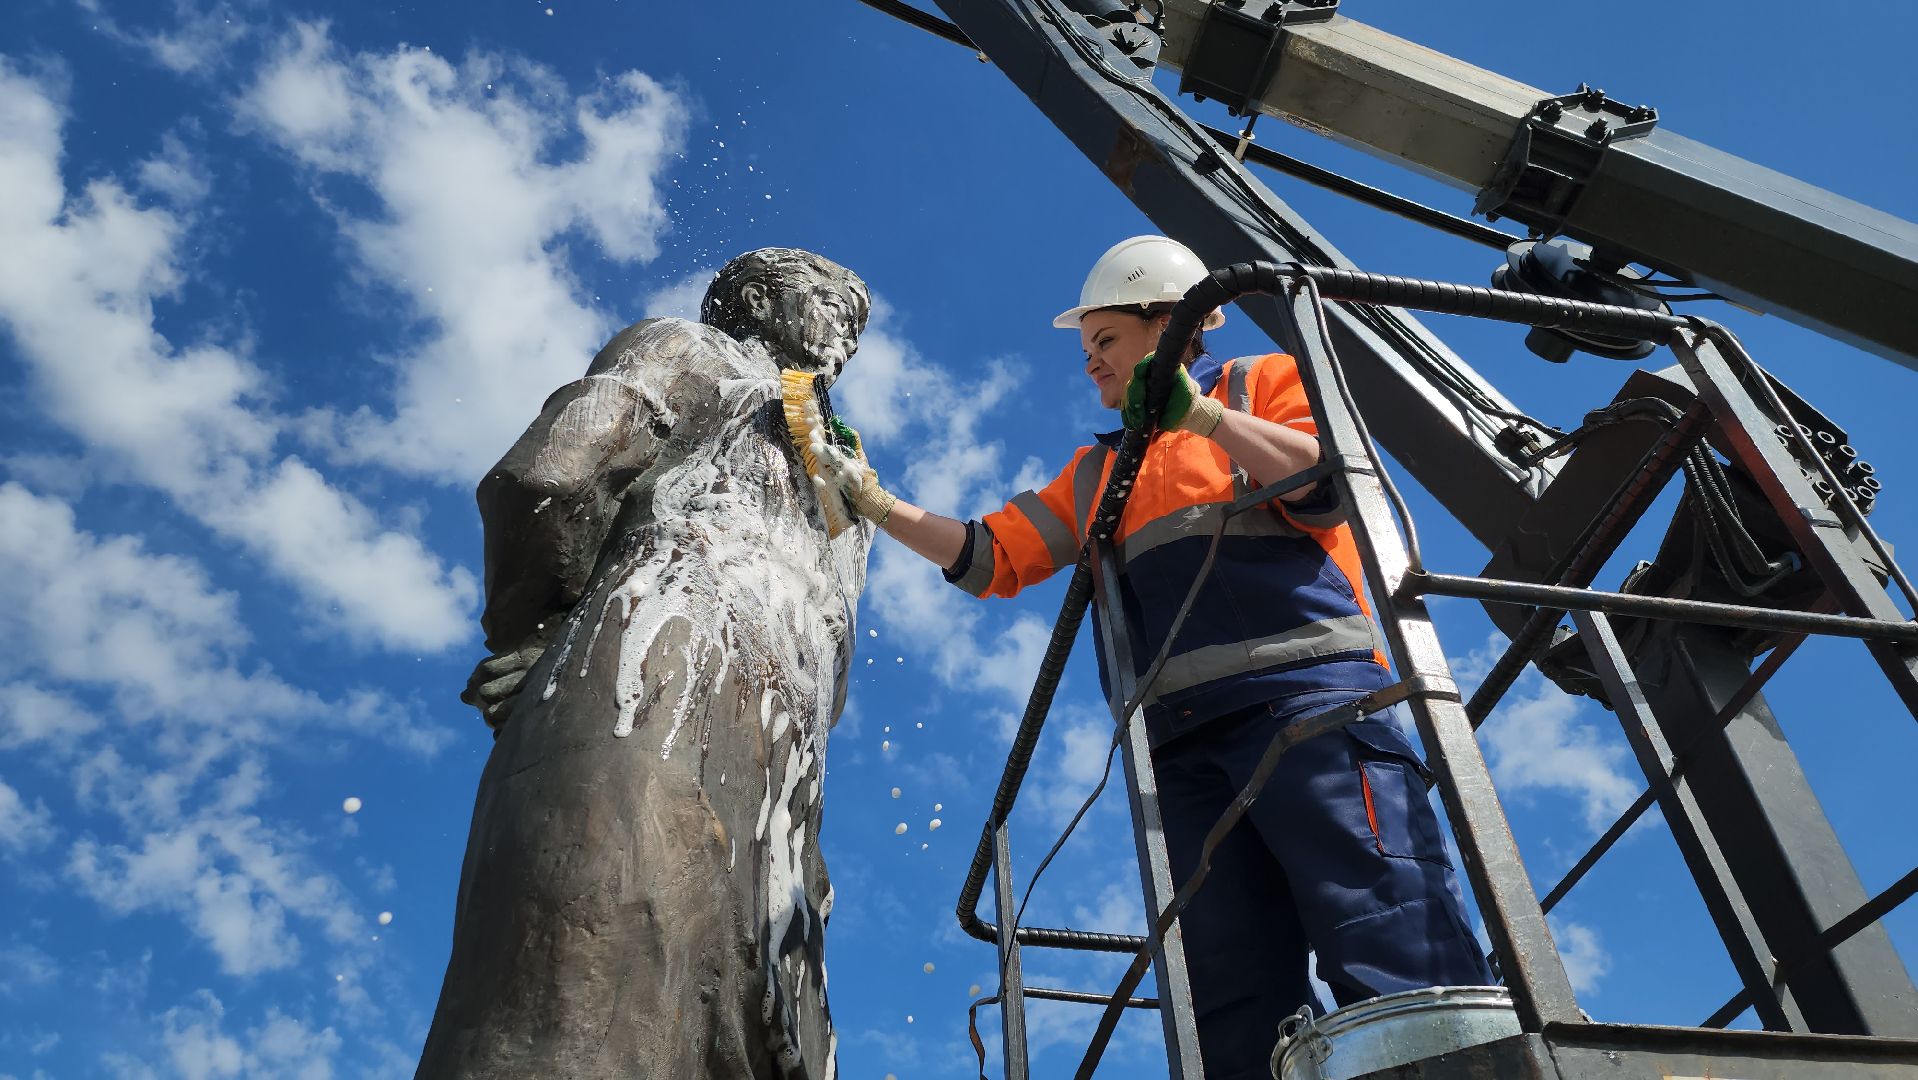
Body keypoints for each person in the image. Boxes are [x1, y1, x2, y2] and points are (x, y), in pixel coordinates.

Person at [835, 236, 1492, 1077]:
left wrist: (1205, 417)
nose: (1090, 363)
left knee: (1386, 928)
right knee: (1229, 997)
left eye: (1105, 339)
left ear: (1171, 323)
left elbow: (1324, 481)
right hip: (1179, 754)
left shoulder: (1261, 383)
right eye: (1086, 348)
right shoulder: (1097, 471)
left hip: (1310, 703)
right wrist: (873, 500)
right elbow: (989, 555)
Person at [419, 248, 874, 1079]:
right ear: (757, 301)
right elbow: (549, 477)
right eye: (827, 300)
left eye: (857, 320)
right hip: (649, 680)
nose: (846, 327)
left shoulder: (844, 477)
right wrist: (540, 633)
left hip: (782, 787)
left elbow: (833, 648)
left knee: (752, 1044)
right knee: (585, 1009)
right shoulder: (690, 351)